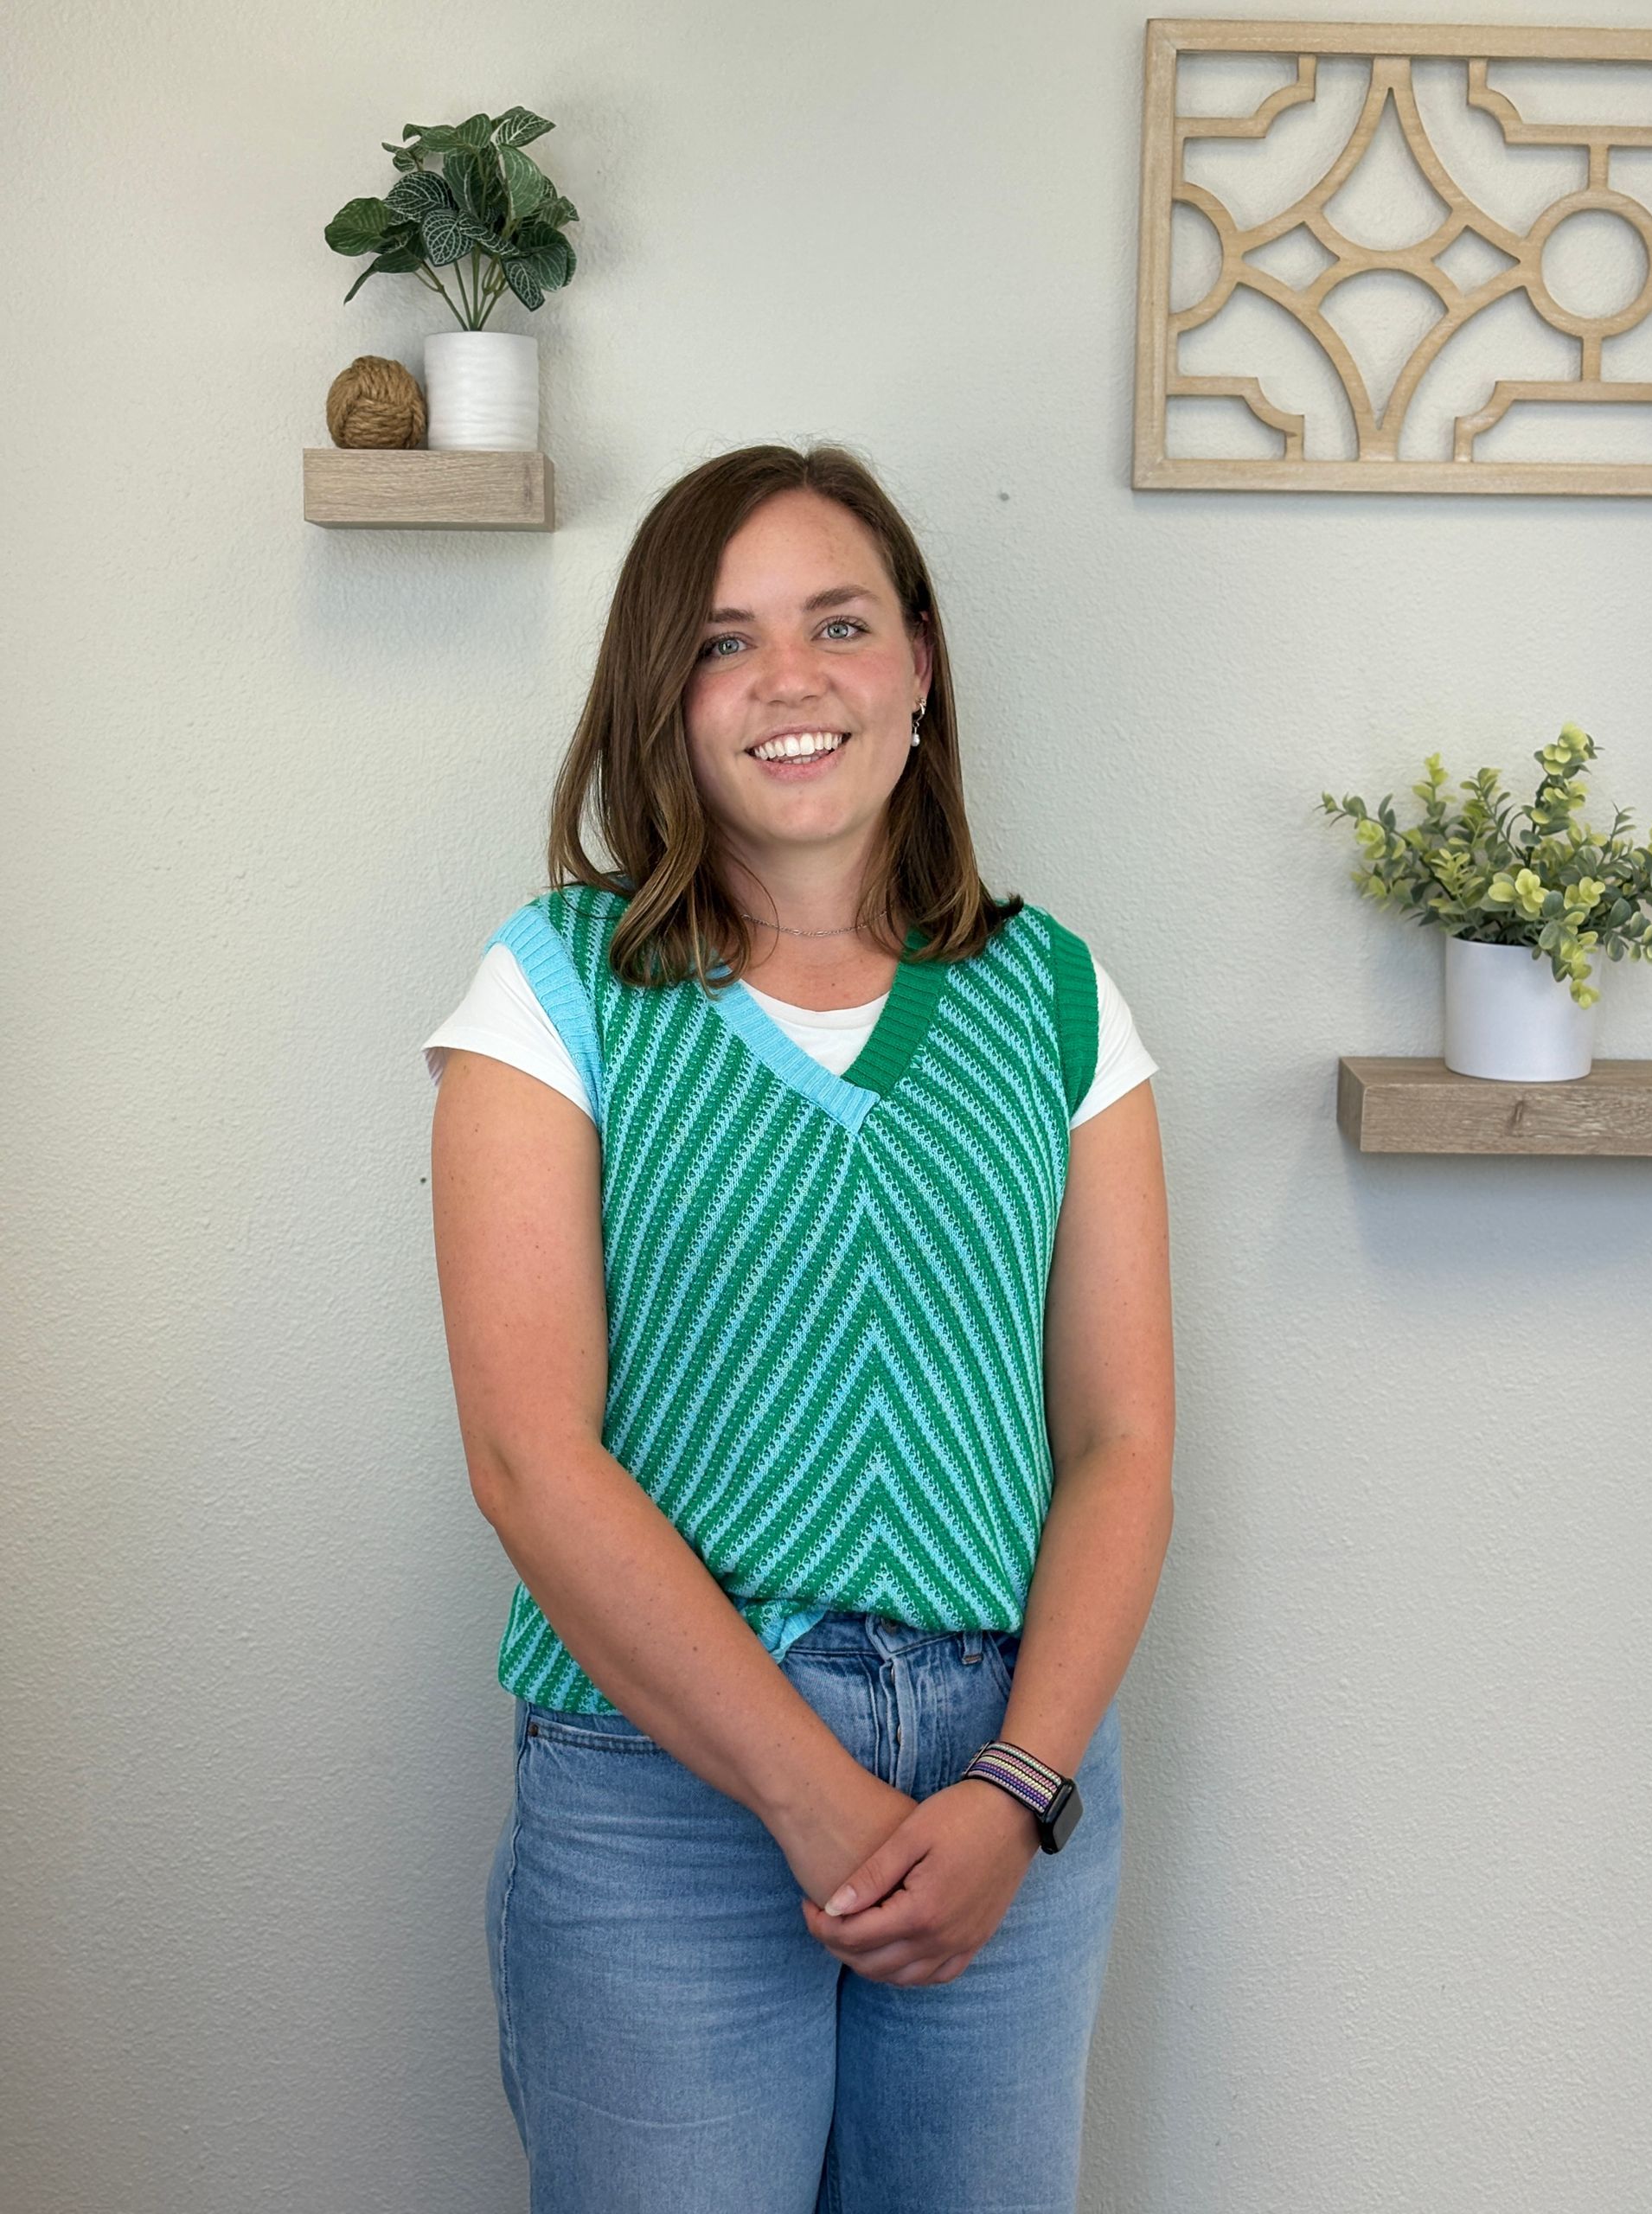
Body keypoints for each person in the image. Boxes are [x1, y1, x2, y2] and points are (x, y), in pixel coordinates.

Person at [421, 442, 1175, 2213]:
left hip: (1012, 1770)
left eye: (839, 622)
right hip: (662, 1780)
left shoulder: (1055, 992)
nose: (791, 680)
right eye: (723, 639)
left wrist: (1015, 1785)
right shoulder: (553, 989)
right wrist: (809, 1792)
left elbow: (1124, 1441)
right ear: (662, 700)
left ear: (917, 663)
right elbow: (534, 1456)